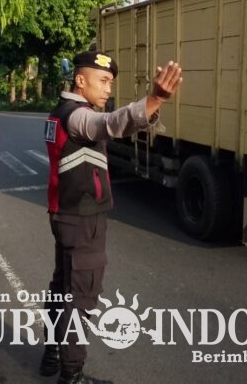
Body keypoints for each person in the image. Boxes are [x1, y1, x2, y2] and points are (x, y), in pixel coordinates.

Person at [41, 51, 182, 384]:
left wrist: (150, 109)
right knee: (82, 298)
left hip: (65, 215)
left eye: (111, 83)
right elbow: (108, 124)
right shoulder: (78, 116)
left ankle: (52, 355)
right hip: (82, 219)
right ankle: (71, 374)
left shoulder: (59, 111)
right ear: (80, 80)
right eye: (103, 81)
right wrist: (155, 98)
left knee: (62, 289)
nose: (108, 89)